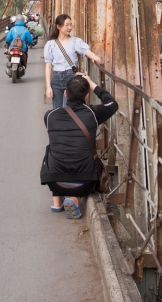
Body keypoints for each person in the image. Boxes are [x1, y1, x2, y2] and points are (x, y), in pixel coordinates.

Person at [40, 72, 117, 219]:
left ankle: (57, 201)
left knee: (52, 148)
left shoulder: (50, 116)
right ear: (86, 96)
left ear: (65, 93)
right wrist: (92, 83)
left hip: (53, 181)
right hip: (85, 182)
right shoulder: (93, 114)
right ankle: (74, 199)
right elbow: (112, 104)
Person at [43, 14, 102, 109]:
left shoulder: (75, 41)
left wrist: (94, 57)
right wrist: (48, 87)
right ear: (58, 26)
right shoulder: (50, 44)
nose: (69, 27)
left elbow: (85, 51)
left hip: (70, 77)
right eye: (67, 25)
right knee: (57, 109)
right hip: (56, 78)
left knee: (69, 109)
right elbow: (48, 66)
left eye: (71, 25)